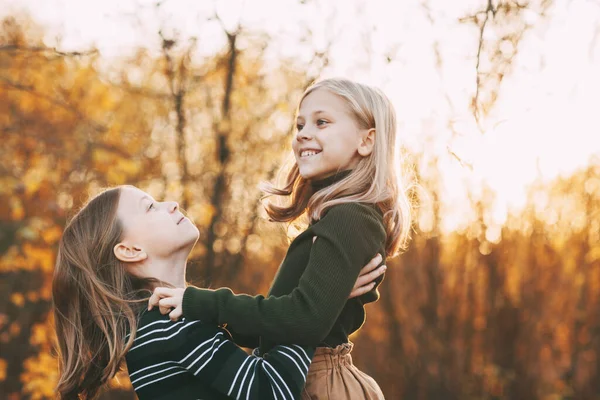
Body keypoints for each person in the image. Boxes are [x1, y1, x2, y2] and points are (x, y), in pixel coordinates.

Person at [149, 78, 412, 399]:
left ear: (367, 141)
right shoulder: (337, 218)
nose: (303, 133)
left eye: (322, 122)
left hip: (321, 385)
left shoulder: (350, 216)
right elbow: (270, 329)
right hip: (300, 377)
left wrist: (200, 301)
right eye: (299, 124)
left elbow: (304, 321)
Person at [52, 185, 383, 400]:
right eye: (150, 207)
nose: (172, 203)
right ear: (130, 250)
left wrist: (318, 295)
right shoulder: (168, 327)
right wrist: (316, 302)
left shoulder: (161, 324)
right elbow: (273, 390)